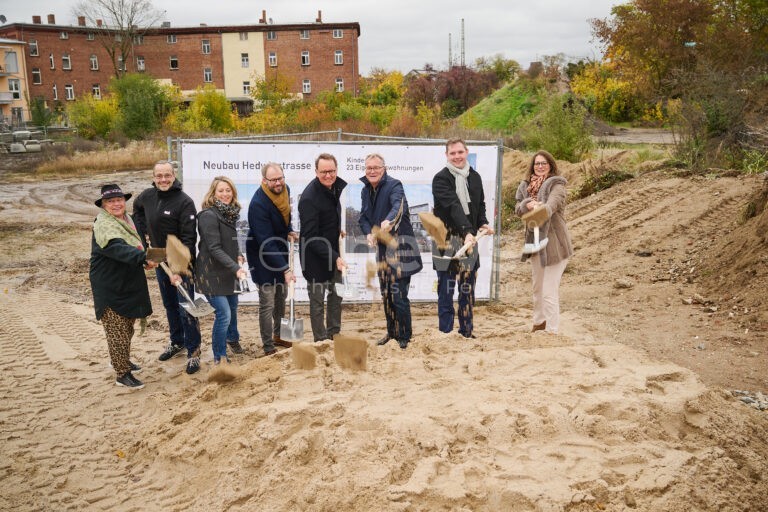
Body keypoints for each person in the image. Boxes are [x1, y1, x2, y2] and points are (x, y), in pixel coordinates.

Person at [133, 160, 202, 374]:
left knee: (187, 308)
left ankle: (194, 351)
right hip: (159, 259)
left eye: (167, 175)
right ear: (154, 177)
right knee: (170, 305)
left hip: (182, 263)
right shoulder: (146, 196)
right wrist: (145, 243)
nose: (163, 179)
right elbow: (137, 211)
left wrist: (180, 270)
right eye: (159, 176)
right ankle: (177, 341)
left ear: (174, 176)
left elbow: (190, 239)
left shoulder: (184, 202)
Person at [89, 184, 155, 390]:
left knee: (127, 326)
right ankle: (121, 373)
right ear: (104, 205)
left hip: (128, 281)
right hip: (110, 284)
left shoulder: (128, 220)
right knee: (116, 329)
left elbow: (138, 243)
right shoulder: (103, 225)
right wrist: (143, 258)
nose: (116, 204)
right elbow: (118, 249)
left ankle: (122, 359)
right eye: (110, 201)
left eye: (119, 200)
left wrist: (147, 253)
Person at [358, 153, 423, 349]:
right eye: (368, 168)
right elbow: (363, 218)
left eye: (376, 167)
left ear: (384, 169)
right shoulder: (365, 190)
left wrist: (389, 220)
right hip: (383, 251)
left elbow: (397, 206)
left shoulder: (395, 185)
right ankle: (392, 332)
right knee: (386, 294)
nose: (372, 171)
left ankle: (405, 336)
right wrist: (369, 232)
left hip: (401, 249)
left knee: (398, 295)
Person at [432, 138, 495, 338]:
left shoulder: (474, 177)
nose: (457, 156)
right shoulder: (440, 179)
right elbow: (453, 207)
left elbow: (480, 204)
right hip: (446, 241)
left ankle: (466, 331)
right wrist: (468, 230)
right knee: (446, 289)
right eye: (453, 153)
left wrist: (482, 223)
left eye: (460, 152)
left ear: (466, 152)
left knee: (467, 288)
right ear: (447, 156)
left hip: (470, 240)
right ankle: (446, 332)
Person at [515, 150, 573, 334]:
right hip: (535, 245)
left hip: (556, 246)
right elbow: (518, 207)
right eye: (537, 163)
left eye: (544, 163)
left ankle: (552, 330)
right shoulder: (525, 186)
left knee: (549, 291)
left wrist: (540, 207)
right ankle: (539, 323)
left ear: (551, 165)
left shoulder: (557, 186)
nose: (540, 166)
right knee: (537, 289)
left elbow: (552, 205)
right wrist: (526, 205)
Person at [246, 163, 298, 356]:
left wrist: (289, 229)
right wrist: (285, 269)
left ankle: (280, 335)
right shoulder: (258, 204)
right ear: (264, 181)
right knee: (267, 301)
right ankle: (268, 345)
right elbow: (266, 241)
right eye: (273, 180)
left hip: (280, 249)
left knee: (281, 297)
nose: (278, 183)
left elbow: (286, 214)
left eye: (280, 178)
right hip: (261, 254)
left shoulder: (285, 189)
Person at [195, 176, 246, 365]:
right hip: (211, 274)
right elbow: (214, 248)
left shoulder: (229, 214)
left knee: (232, 308)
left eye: (228, 190)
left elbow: (230, 241)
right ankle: (220, 356)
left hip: (228, 272)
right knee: (223, 314)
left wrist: (239, 254)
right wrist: (236, 268)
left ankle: (232, 339)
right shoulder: (208, 215)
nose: (225, 194)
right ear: (213, 193)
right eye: (221, 191)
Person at [298, 153, 347, 342]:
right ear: (316, 171)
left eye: (332, 171)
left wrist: (336, 231)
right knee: (317, 302)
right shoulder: (309, 198)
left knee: (336, 297)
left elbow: (327, 218)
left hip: (333, 253)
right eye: (324, 171)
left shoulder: (334, 188)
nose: (329, 175)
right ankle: (321, 340)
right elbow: (310, 236)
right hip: (314, 258)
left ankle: (334, 334)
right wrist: (335, 257)